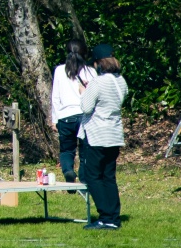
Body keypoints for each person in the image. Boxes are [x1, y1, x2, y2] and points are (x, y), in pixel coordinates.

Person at [78, 46, 127, 230]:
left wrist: (84, 91)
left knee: (93, 176)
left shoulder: (97, 83)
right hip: (114, 133)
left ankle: (105, 216)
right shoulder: (121, 81)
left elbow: (86, 107)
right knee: (109, 176)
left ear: (98, 63)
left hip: (98, 134)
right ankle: (114, 216)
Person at [51, 46, 94, 183]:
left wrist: (54, 119)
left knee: (66, 150)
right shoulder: (90, 71)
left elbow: (55, 97)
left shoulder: (59, 70)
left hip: (65, 116)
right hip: (85, 115)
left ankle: (68, 171)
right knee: (85, 150)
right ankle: (83, 179)